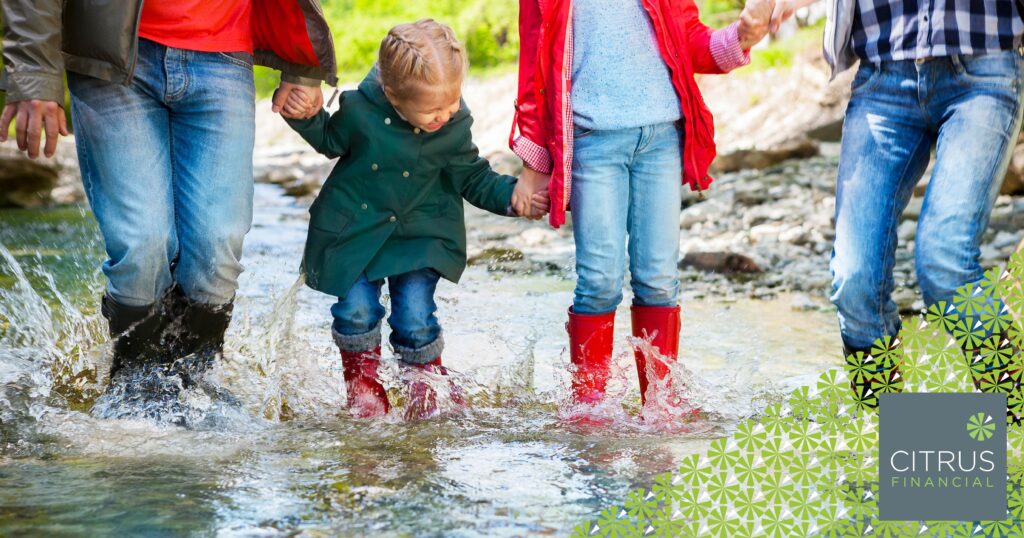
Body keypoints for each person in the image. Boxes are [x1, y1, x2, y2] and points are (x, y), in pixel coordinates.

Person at [0, 0, 332, 390]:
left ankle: (199, 391)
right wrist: (35, 72)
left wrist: (302, 63)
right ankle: (132, 388)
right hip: (112, 56)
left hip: (223, 54)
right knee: (143, 246)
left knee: (216, 251)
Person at [509, 0, 774, 420]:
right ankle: (589, 409)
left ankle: (660, 405)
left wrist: (739, 38)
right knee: (598, 279)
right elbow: (534, 68)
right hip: (593, 138)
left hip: (661, 139)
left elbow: (690, 39)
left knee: (659, 278)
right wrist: (534, 164)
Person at [284, 19, 550, 420]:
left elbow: (473, 177)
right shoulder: (359, 111)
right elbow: (328, 140)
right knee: (356, 313)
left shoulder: (454, 124)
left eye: (451, 104)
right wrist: (306, 115)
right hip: (356, 233)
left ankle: (425, 396)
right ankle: (364, 392)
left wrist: (513, 197)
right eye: (432, 110)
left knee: (414, 317)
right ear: (392, 95)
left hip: (422, 236)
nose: (445, 114)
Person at [772, 0, 1024, 405]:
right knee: (853, 281)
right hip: (881, 79)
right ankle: (886, 431)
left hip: (983, 70)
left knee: (945, 261)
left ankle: (1014, 412)